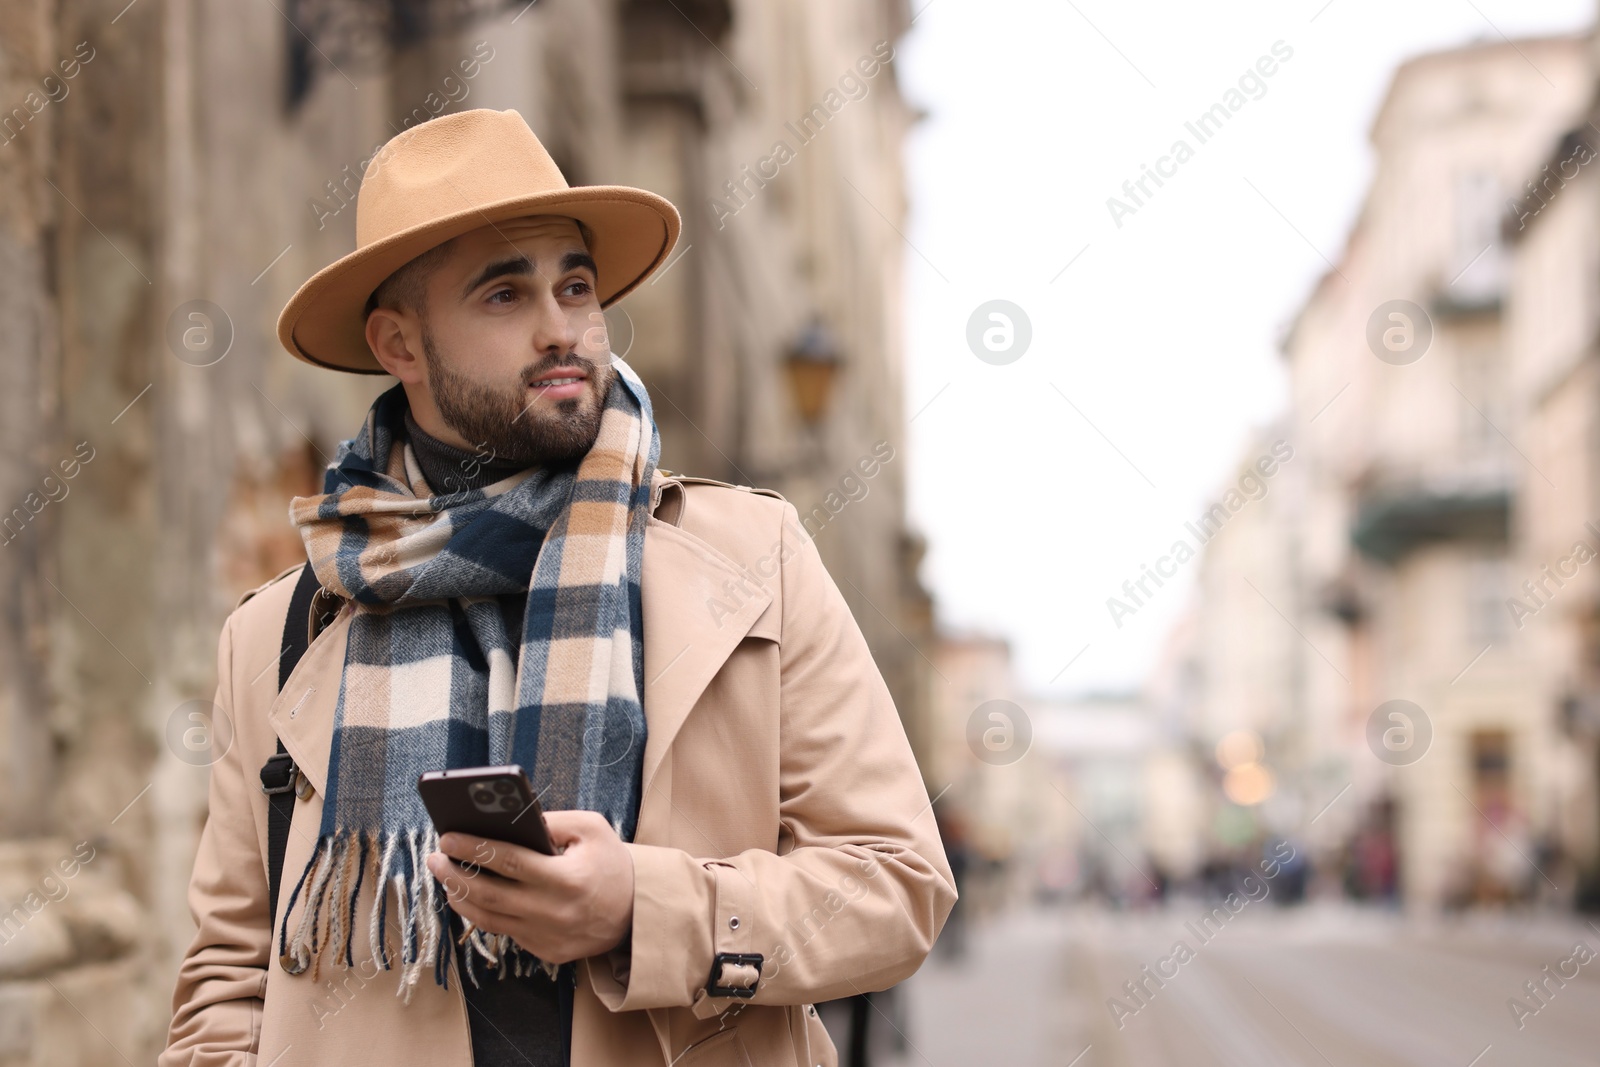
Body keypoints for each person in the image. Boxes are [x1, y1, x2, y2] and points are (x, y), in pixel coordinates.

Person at [159, 108, 955, 1067]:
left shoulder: (753, 558)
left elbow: (897, 885)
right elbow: (225, 983)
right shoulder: (276, 632)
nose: (562, 330)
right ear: (400, 345)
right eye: (505, 295)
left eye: (575, 287)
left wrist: (641, 908)